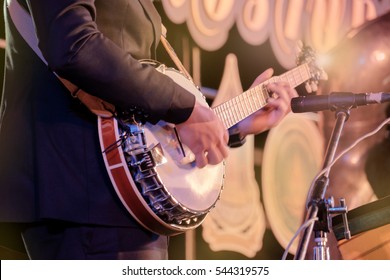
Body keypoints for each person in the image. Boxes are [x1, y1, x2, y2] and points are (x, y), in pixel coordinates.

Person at [0, 0, 298, 260]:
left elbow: (141, 109)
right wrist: (185, 108)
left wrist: (229, 125)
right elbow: (72, 44)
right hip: (81, 191)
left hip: (121, 194)